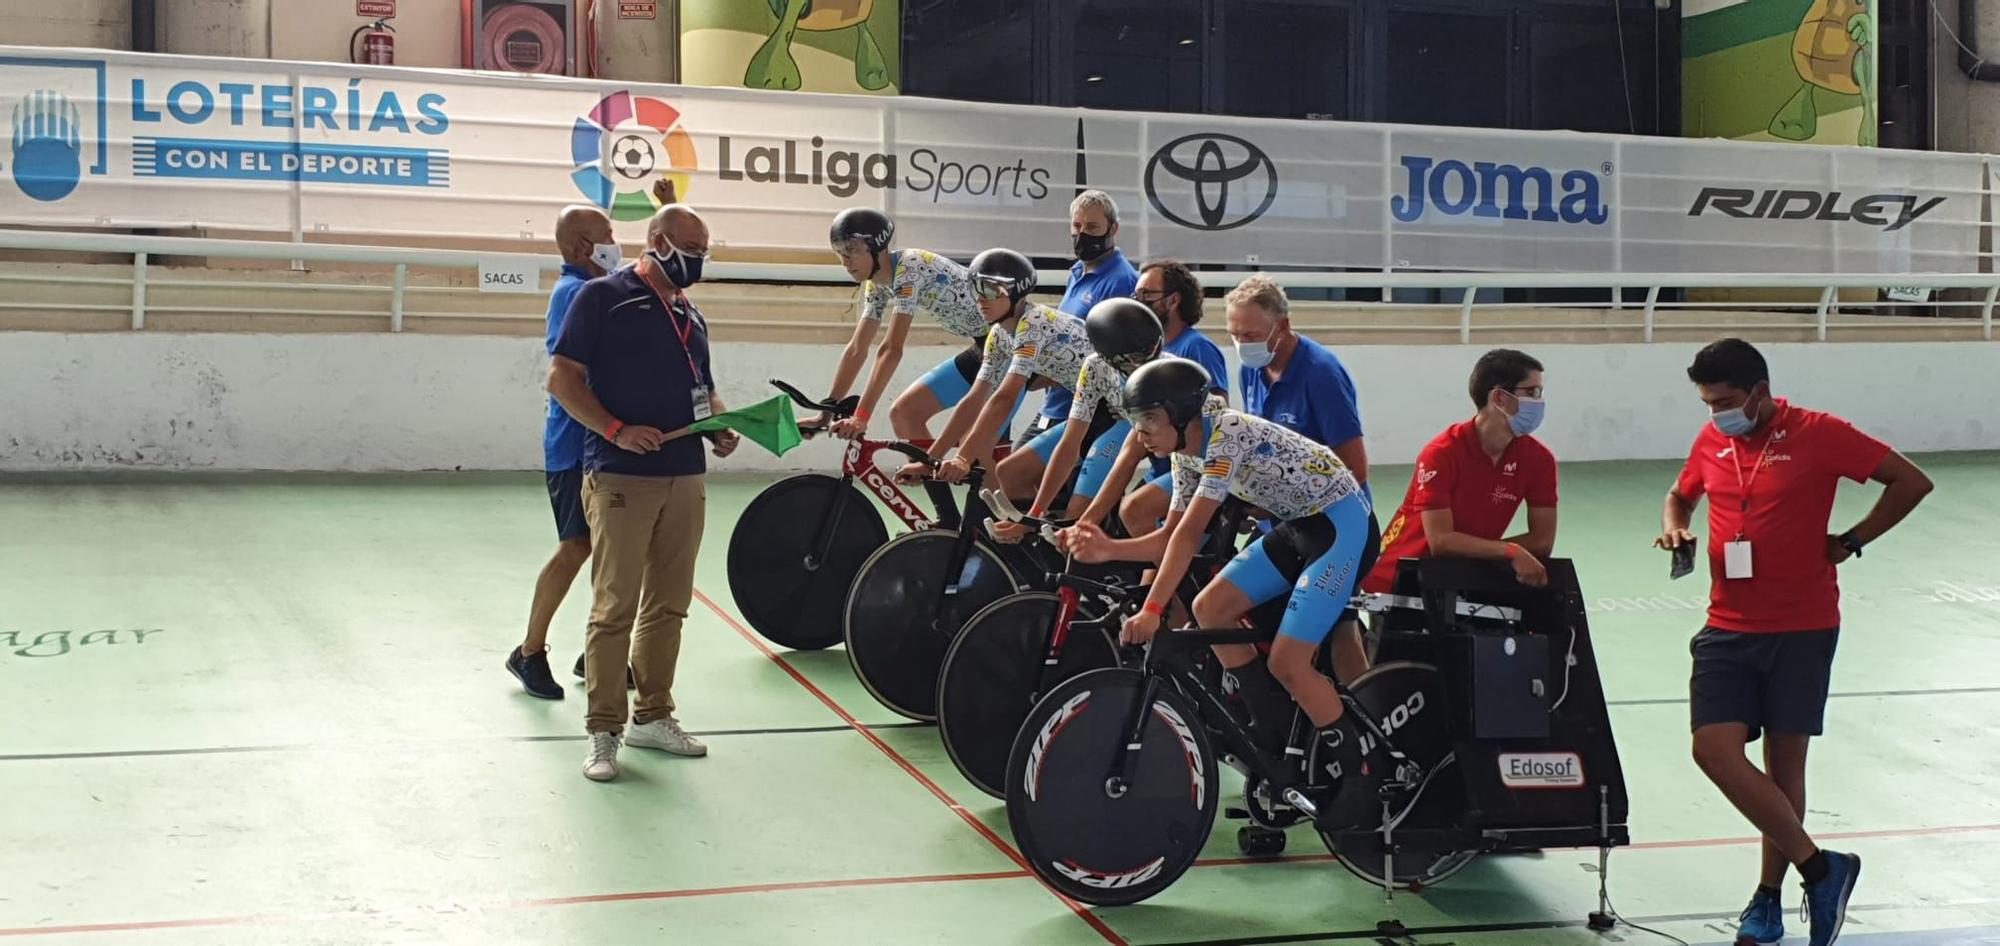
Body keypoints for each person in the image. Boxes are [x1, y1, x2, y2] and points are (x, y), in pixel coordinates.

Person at [1654, 339, 1930, 946]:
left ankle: (1768, 900)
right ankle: (1822, 869)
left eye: (1724, 401)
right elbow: (1682, 493)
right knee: (1714, 751)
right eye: (1705, 403)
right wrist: (1675, 526)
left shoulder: (1821, 433)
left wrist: (1852, 539)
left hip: (1802, 626)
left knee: (1786, 765)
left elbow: (1911, 481)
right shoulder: (1713, 441)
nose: (1715, 413)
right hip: (1727, 625)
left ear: (1759, 391)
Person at [1060, 358, 1378, 800]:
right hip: (1298, 527)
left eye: (1149, 418)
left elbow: (1189, 536)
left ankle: (1361, 776)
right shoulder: (1185, 452)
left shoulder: (1226, 435)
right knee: (1209, 609)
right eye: (1136, 419)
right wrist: (1109, 551)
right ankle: (1270, 724)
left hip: (1342, 528)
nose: (1140, 432)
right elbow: (1171, 537)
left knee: (1289, 663)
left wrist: (1153, 610)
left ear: (1182, 414)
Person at [548, 203, 741, 783]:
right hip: (620, 476)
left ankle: (653, 715)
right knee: (614, 607)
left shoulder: (691, 314)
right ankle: (603, 731)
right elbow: (561, 378)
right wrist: (615, 430)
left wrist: (721, 424)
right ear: (657, 241)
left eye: (705, 252)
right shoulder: (602, 297)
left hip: (685, 475)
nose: (698, 261)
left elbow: (702, 388)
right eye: (690, 248)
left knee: (669, 604)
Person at [1358, 349, 1558, 678]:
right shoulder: (1441, 453)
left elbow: (1542, 540)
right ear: (1499, 397)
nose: (1539, 401)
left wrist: (1497, 556)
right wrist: (1508, 551)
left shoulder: (1539, 460)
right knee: (1395, 683)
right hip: (1397, 582)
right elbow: (1441, 541)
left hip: (1462, 577)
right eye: (1532, 392)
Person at [507, 204, 624, 700]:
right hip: (574, 446)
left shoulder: (597, 288)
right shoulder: (575, 293)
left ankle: (597, 652)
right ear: (582, 246)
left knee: (612, 550)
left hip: (602, 447)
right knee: (577, 546)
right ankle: (529, 651)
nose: (616, 243)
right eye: (608, 236)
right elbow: (569, 374)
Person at [905, 249, 1110, 505]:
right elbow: (974, 398)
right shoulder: (999, 335)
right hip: (1091, 407)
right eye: (975, 289)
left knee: (1069, 510)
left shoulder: (1033, 324)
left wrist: (963, 458)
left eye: (991, 290)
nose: (981, 299)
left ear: (1016, 292)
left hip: (1118, 409)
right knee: (1009, 473)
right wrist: (930, 460)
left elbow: (1005, 397)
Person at [989, 296, 1162, 539]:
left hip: (1135, 426)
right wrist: (1037, 512)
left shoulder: (1161, 369)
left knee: (1077, 513)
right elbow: (1070, 441)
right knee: (1009, 470)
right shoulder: (1093, 366)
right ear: (1106, 356)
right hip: (1113, 418)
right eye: (1130, 360)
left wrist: (1082, 522)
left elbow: (1128, 459)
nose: (1143, 364)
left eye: (1150, 352)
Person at [1116, 260, 1230, 532]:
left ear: (1173, 300)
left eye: (1147, 295)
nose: (1138, 302)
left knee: (1135, 510)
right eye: (1136, 295)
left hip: (1191, 469)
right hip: (1163, 467)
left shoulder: (1196, 347)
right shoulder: (1153, 349)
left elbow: (1216, 413)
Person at [1026, 190, 1140, 445]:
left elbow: (1116, 355)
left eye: (1092, 226)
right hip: (1056, 404)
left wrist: (1043, 375)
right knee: (1015, 475)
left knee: (1019, 472)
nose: (1082, 233)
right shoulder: (1076, 271)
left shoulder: (1122, 281)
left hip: (1087, 411)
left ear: (1113, 229)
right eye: (1077, 225)